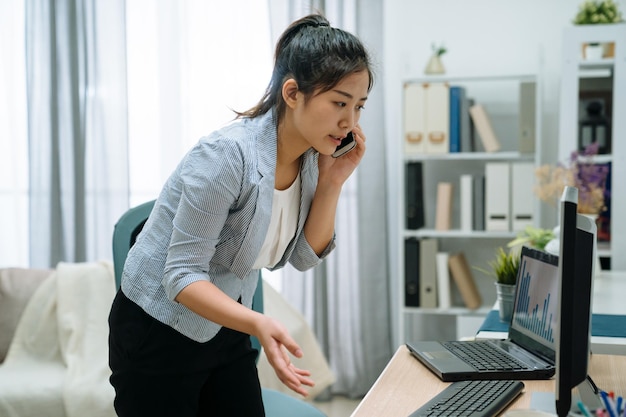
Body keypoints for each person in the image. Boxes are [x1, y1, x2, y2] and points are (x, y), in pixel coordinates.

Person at [108, 12, 374, 417]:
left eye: (358, 106)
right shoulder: (226, 156)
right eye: (339, 102)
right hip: (157, 329)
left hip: (225, 322)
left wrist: (332, 182)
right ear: (292, 93)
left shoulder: (310, 158)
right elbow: (180, 275)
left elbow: (303, 257)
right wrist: (257, 323)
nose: (349, 122)